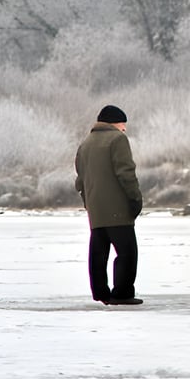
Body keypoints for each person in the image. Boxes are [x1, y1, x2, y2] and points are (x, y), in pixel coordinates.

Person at [75, 104, 144, 306]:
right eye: (123, 124)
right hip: (117, 209)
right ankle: (122, 293)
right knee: (127, 253)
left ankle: (101, 292)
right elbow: (126, 173)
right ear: (115, 123)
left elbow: (80, 180)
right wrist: (135, 199)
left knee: (98, 253)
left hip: (95, 210)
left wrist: (89, 203)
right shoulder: (117, 139)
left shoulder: (85, 144)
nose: (124, 129)